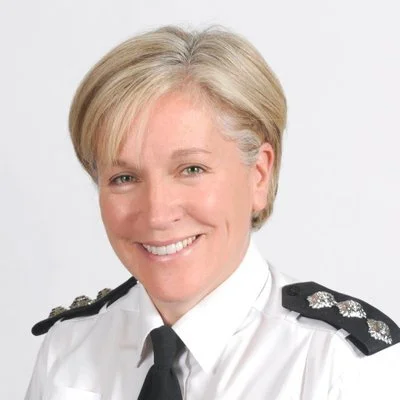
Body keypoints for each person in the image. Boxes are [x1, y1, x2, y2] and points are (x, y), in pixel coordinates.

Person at [25, 25, 399, 399]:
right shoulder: (68, 350)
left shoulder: (341, 366)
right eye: (124, 178)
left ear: (259, 175)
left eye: (191, 169)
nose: (156, 214)